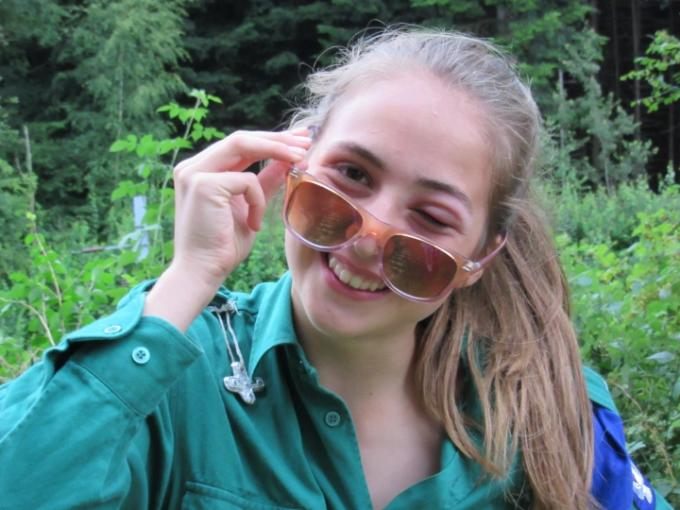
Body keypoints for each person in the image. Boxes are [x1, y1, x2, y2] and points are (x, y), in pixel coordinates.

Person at [0, 27, 672, 510]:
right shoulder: (177, 379)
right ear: (294, 162)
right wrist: (187, 279)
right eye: (352, 174)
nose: (369, 238)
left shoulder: (541, 405)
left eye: (430, 216)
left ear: (480, 257)